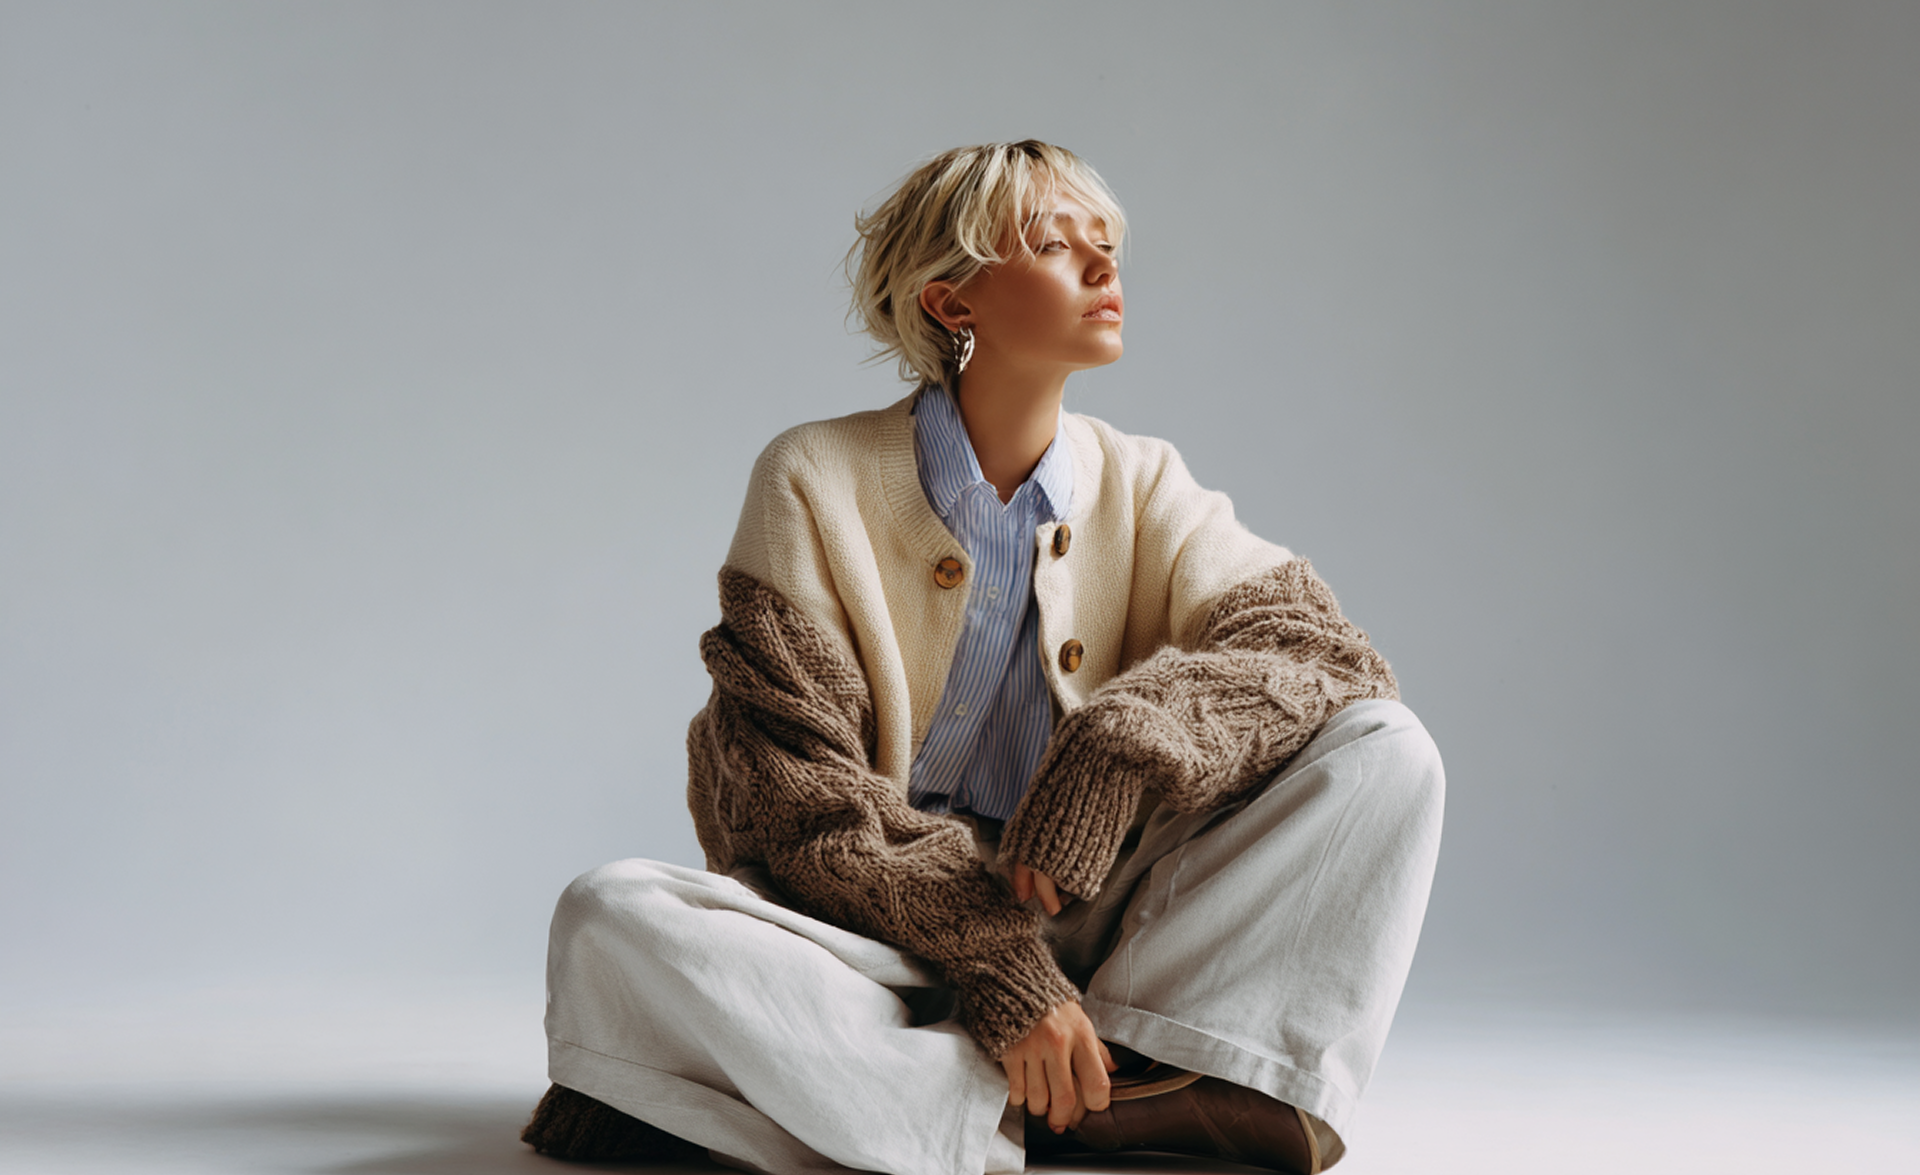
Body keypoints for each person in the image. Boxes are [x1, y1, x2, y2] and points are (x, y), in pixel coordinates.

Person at [519, 140, 1444, 1175]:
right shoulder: (813, 476)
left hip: (1099, 926)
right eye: (1057, 245)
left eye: (1109, 245)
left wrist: (1122, 737)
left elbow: (1322, 649)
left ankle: (1059, 1076)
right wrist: (1000, 972)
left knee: (1386, 748)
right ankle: (1057, 1111)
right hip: (864, 932)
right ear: (951, 302)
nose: (1105, 270)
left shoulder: (1145, 482)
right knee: (611, 916)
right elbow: (799, 796)